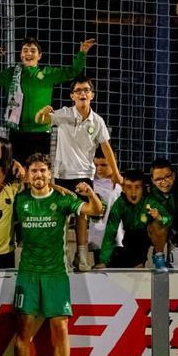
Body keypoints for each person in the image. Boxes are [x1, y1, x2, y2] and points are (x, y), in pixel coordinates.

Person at [9, 153, 103, 356]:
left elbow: (96, 209)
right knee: (23, 333)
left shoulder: (63, 200)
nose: (38, 175)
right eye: (34, 171)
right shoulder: (20, 200)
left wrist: (88, 193)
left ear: (50, 174)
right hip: (28, 273)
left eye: (43, 171)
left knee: (60, 331)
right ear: (28, 175)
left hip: (56, 274)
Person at [36, 76, 121, 273]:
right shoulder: (64, 114)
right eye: (78, 90)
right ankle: (62, 256)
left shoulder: (98, 121)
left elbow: (106, 147)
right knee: (62, 216)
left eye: (86, 90)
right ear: (72, 96)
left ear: (92, 95)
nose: (82, 93)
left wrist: (116, 173)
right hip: (63, 174)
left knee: (83, 216)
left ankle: (81, 256)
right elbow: (40, 120)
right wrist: (42, 113)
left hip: (84, 174)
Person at [0, 36, 95, 162]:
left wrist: (82, 53)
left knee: (39, 172)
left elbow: (72, 72)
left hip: (41, 132)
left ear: (39, 56)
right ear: (21, 55)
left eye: (32, 50)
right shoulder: (11, 74)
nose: (28, 53)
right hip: (17, 131)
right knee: (17, 171)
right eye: (25, 50)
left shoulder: (48, 73)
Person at [96, 170, 173, 269]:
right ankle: (137, 264)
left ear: (143, 188)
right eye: (129, 187)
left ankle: (159, 258)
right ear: (123, 188)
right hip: (129, 237)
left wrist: (160, 218)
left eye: (137, 187)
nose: (133, 193)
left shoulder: (150, 201)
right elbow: (110, 232)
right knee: (115, 257)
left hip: (147, 237)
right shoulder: (119, 204)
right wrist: (104, 261)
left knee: (157, 226)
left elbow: (169, 220)